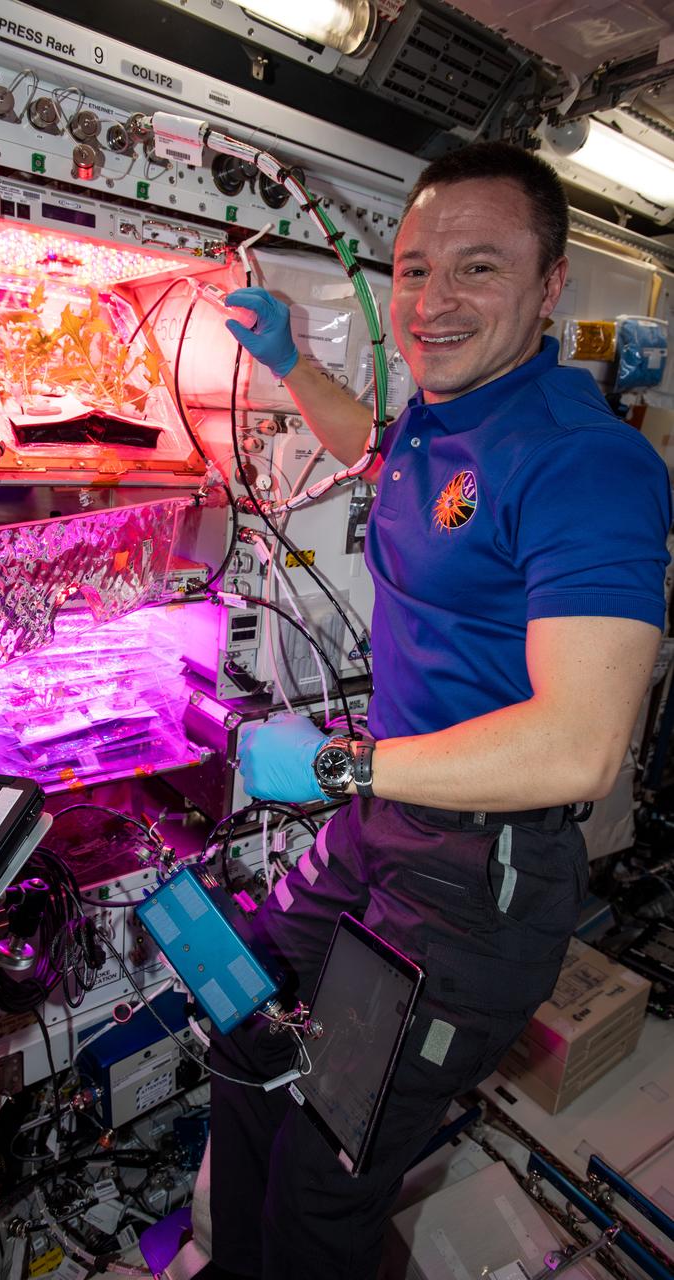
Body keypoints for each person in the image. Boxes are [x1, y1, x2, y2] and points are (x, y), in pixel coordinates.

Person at [198, 142, 672, 1280]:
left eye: (476, 269)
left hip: (480, 879)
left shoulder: (584, 464)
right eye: (413, 271)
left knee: (331, 1162)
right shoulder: (440, 412)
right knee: (245, 1024)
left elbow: (579, 744)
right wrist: (290, 363)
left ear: (551, 285)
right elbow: (373, 445)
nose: (432, 302)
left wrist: (333, 767)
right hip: (383, 832)